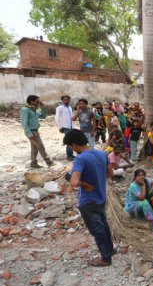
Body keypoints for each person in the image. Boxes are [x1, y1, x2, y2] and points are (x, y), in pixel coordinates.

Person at [64, 129, 114, 267]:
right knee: (103, 224)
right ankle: (110, 250)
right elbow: (111, 173)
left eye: (70, 146)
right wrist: (97, 175)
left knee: (97, 230)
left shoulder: (80, 159)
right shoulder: (102, 154)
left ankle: (105, 258)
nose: (71, 149)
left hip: (87, 201)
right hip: (101, 197)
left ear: (74, 144)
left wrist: (84, 184)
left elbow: (74, 182)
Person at [20, 95, 54, 168]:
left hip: (35, 130)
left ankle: (33, 163)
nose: (38, 102)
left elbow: (43, 116)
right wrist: (29, 133)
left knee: (34, 147)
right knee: (41, 147)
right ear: (32, 101)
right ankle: (49, 162)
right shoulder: (25, 109)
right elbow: (24, 123)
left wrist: (41, 107)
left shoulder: (34, 109)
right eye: (37, 101)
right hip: (31, 131)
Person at [55, 95, 75, 160]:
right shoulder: (60, 108)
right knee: (69, 141)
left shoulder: (70, 107)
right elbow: (57, 118)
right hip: (65, 127)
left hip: (71, 126)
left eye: (67, 99)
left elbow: (71, 117)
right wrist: (60, 127)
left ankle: (71, 154)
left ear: (69, 100)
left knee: (71, 140)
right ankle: (69, 156)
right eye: (64, 100)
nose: (66, 101)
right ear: (62, 101)